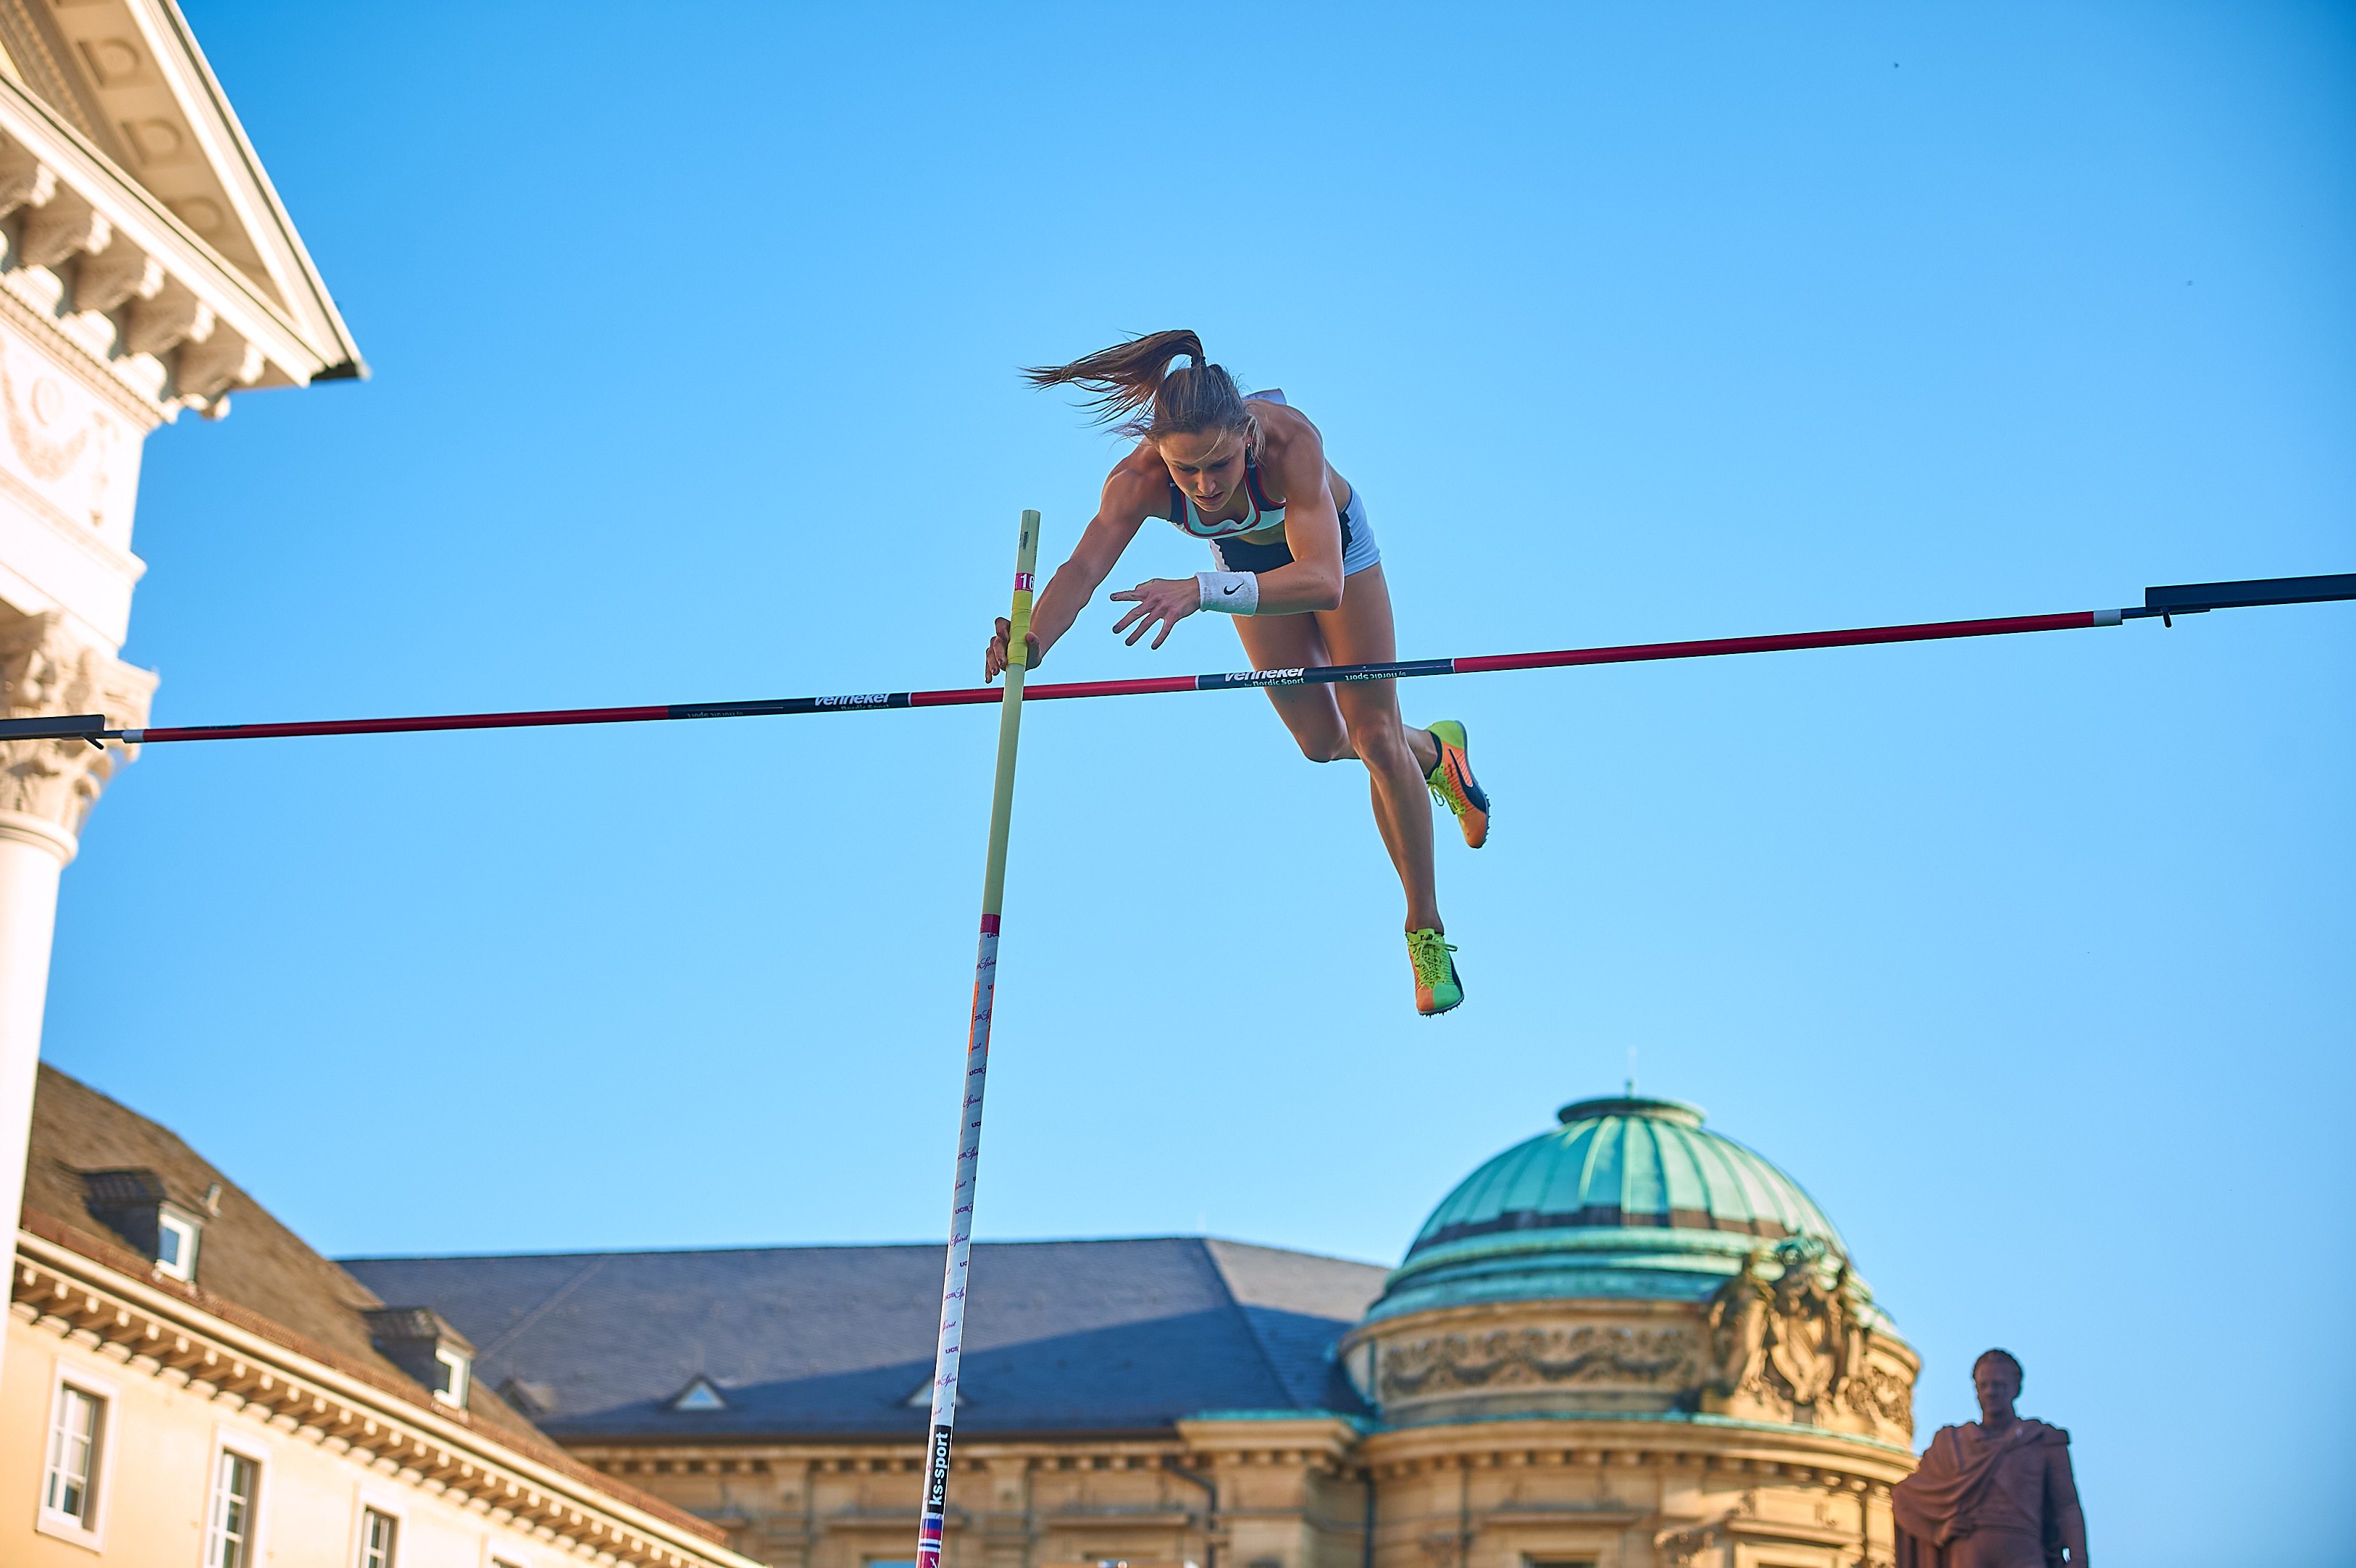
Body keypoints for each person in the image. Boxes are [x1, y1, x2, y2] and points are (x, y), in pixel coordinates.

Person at [984, 330, 1489, 1015]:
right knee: (1320, 742)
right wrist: (1033, 640)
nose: (1205, 486)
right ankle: (1435, 750)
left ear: (1247, 436)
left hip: (1335, 555)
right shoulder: (1138, 482)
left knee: (1373, 734)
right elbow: (1082, 568)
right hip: (1245, 565)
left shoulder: (1291, 444)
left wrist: (1199, 590)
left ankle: (1424, 930)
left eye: (1219, 464)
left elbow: (1323, 582)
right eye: (1186, 471)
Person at [1891, 1349, 2090, 1568]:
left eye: (1999, 1385)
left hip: (2023, 1547)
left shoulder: (2042, 1440)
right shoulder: (1954, 1443)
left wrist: (2079, 1557)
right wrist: (1937, 1531)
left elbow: (2067, 1505)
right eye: (1983, 1385)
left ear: (2015, 1389)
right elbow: (1906, 1497)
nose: (1990, 1392)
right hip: (1969, 1548)